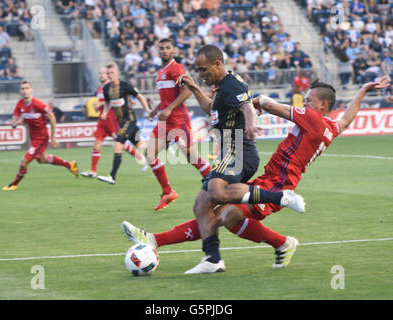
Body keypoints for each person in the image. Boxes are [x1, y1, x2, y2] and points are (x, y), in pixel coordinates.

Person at [121, 76, 390, 273]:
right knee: (218, 209)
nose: (305, 103)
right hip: (270, 177)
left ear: (321, 105)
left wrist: (253, 102)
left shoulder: (315, 119)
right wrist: (364, 89)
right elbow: (347, 118)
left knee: (226, 214)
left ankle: (282, 243)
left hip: (280, 183)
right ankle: (157, 240)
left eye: (308, 100)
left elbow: (272, 105)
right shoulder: (331, 125)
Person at [159, 44, 304, 274]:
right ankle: (212, 259)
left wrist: (252, 125)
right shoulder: (218, 88)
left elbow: (247, 107)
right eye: (198, 70)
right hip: (228, 153)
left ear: (218, 64)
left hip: (239, 151)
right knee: (201, 205)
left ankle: (281, 197)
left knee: (216, 192)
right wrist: (195, 88)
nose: (201, 74)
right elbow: (211, 110)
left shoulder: (232, 84)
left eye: (204, 70)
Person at [146, 38, 211, 211]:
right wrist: (156, 110)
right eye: (161, 48)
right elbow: (166, 98)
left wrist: (168, 109)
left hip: (179, 121)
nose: (164, 51)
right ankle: (168, 192)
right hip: (165, 121)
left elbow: (188, 89)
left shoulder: (176, 68)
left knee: (192, 158)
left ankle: (215, 186)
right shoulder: (161, 71)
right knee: (150, 153)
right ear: (157, 50)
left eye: (168, 48)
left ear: (173, 50)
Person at [2, 80, 79, 191]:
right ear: (20, 91)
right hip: (33, 139)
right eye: (22, 89)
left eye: (27, 88)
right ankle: (69, 165)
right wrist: (14, 123)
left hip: (41, 138)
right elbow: (14, 121)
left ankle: (14, 184)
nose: (25, 91)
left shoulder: (38, 104)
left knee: (23, 162)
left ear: (31, 90)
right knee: (42, 160)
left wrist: (53, 137)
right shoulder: (19, 104)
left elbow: (52, 117)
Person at [81, 67, 148, 178]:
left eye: (104, 73)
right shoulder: (101, 88)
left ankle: (140, 158)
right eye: (100, 73)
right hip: (102, 120)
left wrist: (101, 104)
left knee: (120, 144)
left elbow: (115, 101)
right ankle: (93, 171)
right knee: (97, 144)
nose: (101, 75)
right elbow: (106, 102)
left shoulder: (113, 87)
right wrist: (99, 107)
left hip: (113, 120)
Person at [96, 62, 151, 185]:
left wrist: (147, 109)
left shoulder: (125, 86)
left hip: (129, 120)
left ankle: (112, 177)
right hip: (121, 122)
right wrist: (105, 112)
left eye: (112, 73)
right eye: (108, 73)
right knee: (141, 145)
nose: (110, 75)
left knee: (117, 144)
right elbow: (107, 102)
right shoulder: (106, 89)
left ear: (117, 73)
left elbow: (139, 96)